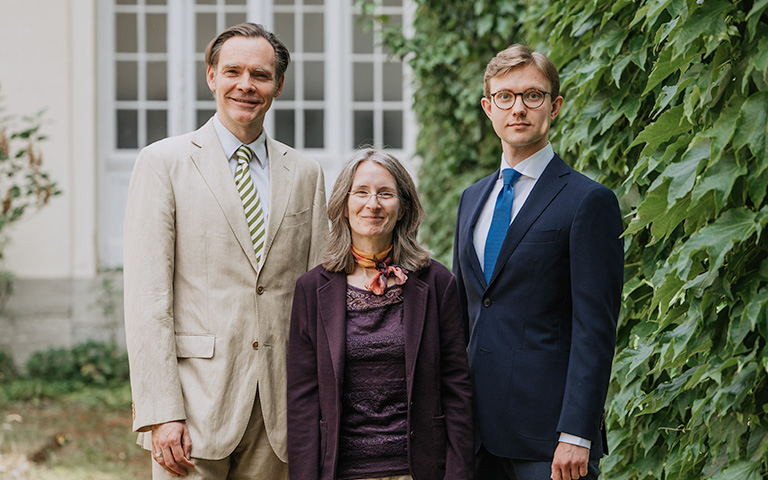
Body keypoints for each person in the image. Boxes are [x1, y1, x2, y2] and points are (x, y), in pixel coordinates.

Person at [123, 22, 328, 479]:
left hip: (281, 411)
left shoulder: (307, 173)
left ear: (277, 86)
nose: (246, 85)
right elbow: (147, 299)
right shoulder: (163, 163)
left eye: (260, 74)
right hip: (194, 409)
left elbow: (321, 297)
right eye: (233, 71)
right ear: (211, 76)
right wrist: (161, 412)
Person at [452, 44, 624, 480]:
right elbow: (462, 312)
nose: (519, 109)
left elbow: (595, 328)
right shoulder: (472, 198)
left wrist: (577, 434)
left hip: (550, 441)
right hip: (474, 435)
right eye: (506, 97)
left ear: (555, 106)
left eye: (533, 95)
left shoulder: (589, 201)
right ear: (488, 108)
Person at [287, 149, 474, 480]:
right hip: (343, 472)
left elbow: (457, 388)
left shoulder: (437, 283)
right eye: (361, 192)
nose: (372, 204)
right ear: (343, 206)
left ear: (402, 208)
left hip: (418, 471)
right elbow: (302, 401)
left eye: (385, 194)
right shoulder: (311, 289)